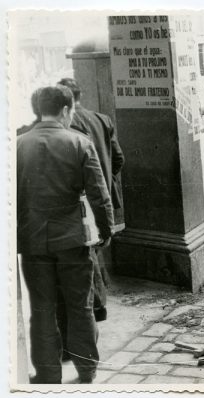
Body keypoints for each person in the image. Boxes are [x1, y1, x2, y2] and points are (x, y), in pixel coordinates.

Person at [17, 86, 113, 383]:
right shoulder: (79, 142)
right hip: (72, 238)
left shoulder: (18, 144)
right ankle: (87, 369)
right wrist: (106, 228)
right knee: (79, 305)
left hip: (32, 241)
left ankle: (47, 374)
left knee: (42, 308)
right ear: (66, 110)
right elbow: (99, 194)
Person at [56, 77, 124, 333]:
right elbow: (118, 158)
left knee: (89, 252)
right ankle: (100, 301)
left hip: (83, 199)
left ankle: (97, 305)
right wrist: (106, 180)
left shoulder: (68, 125)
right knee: (96, 249)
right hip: (102, 193)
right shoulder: (102, 118)